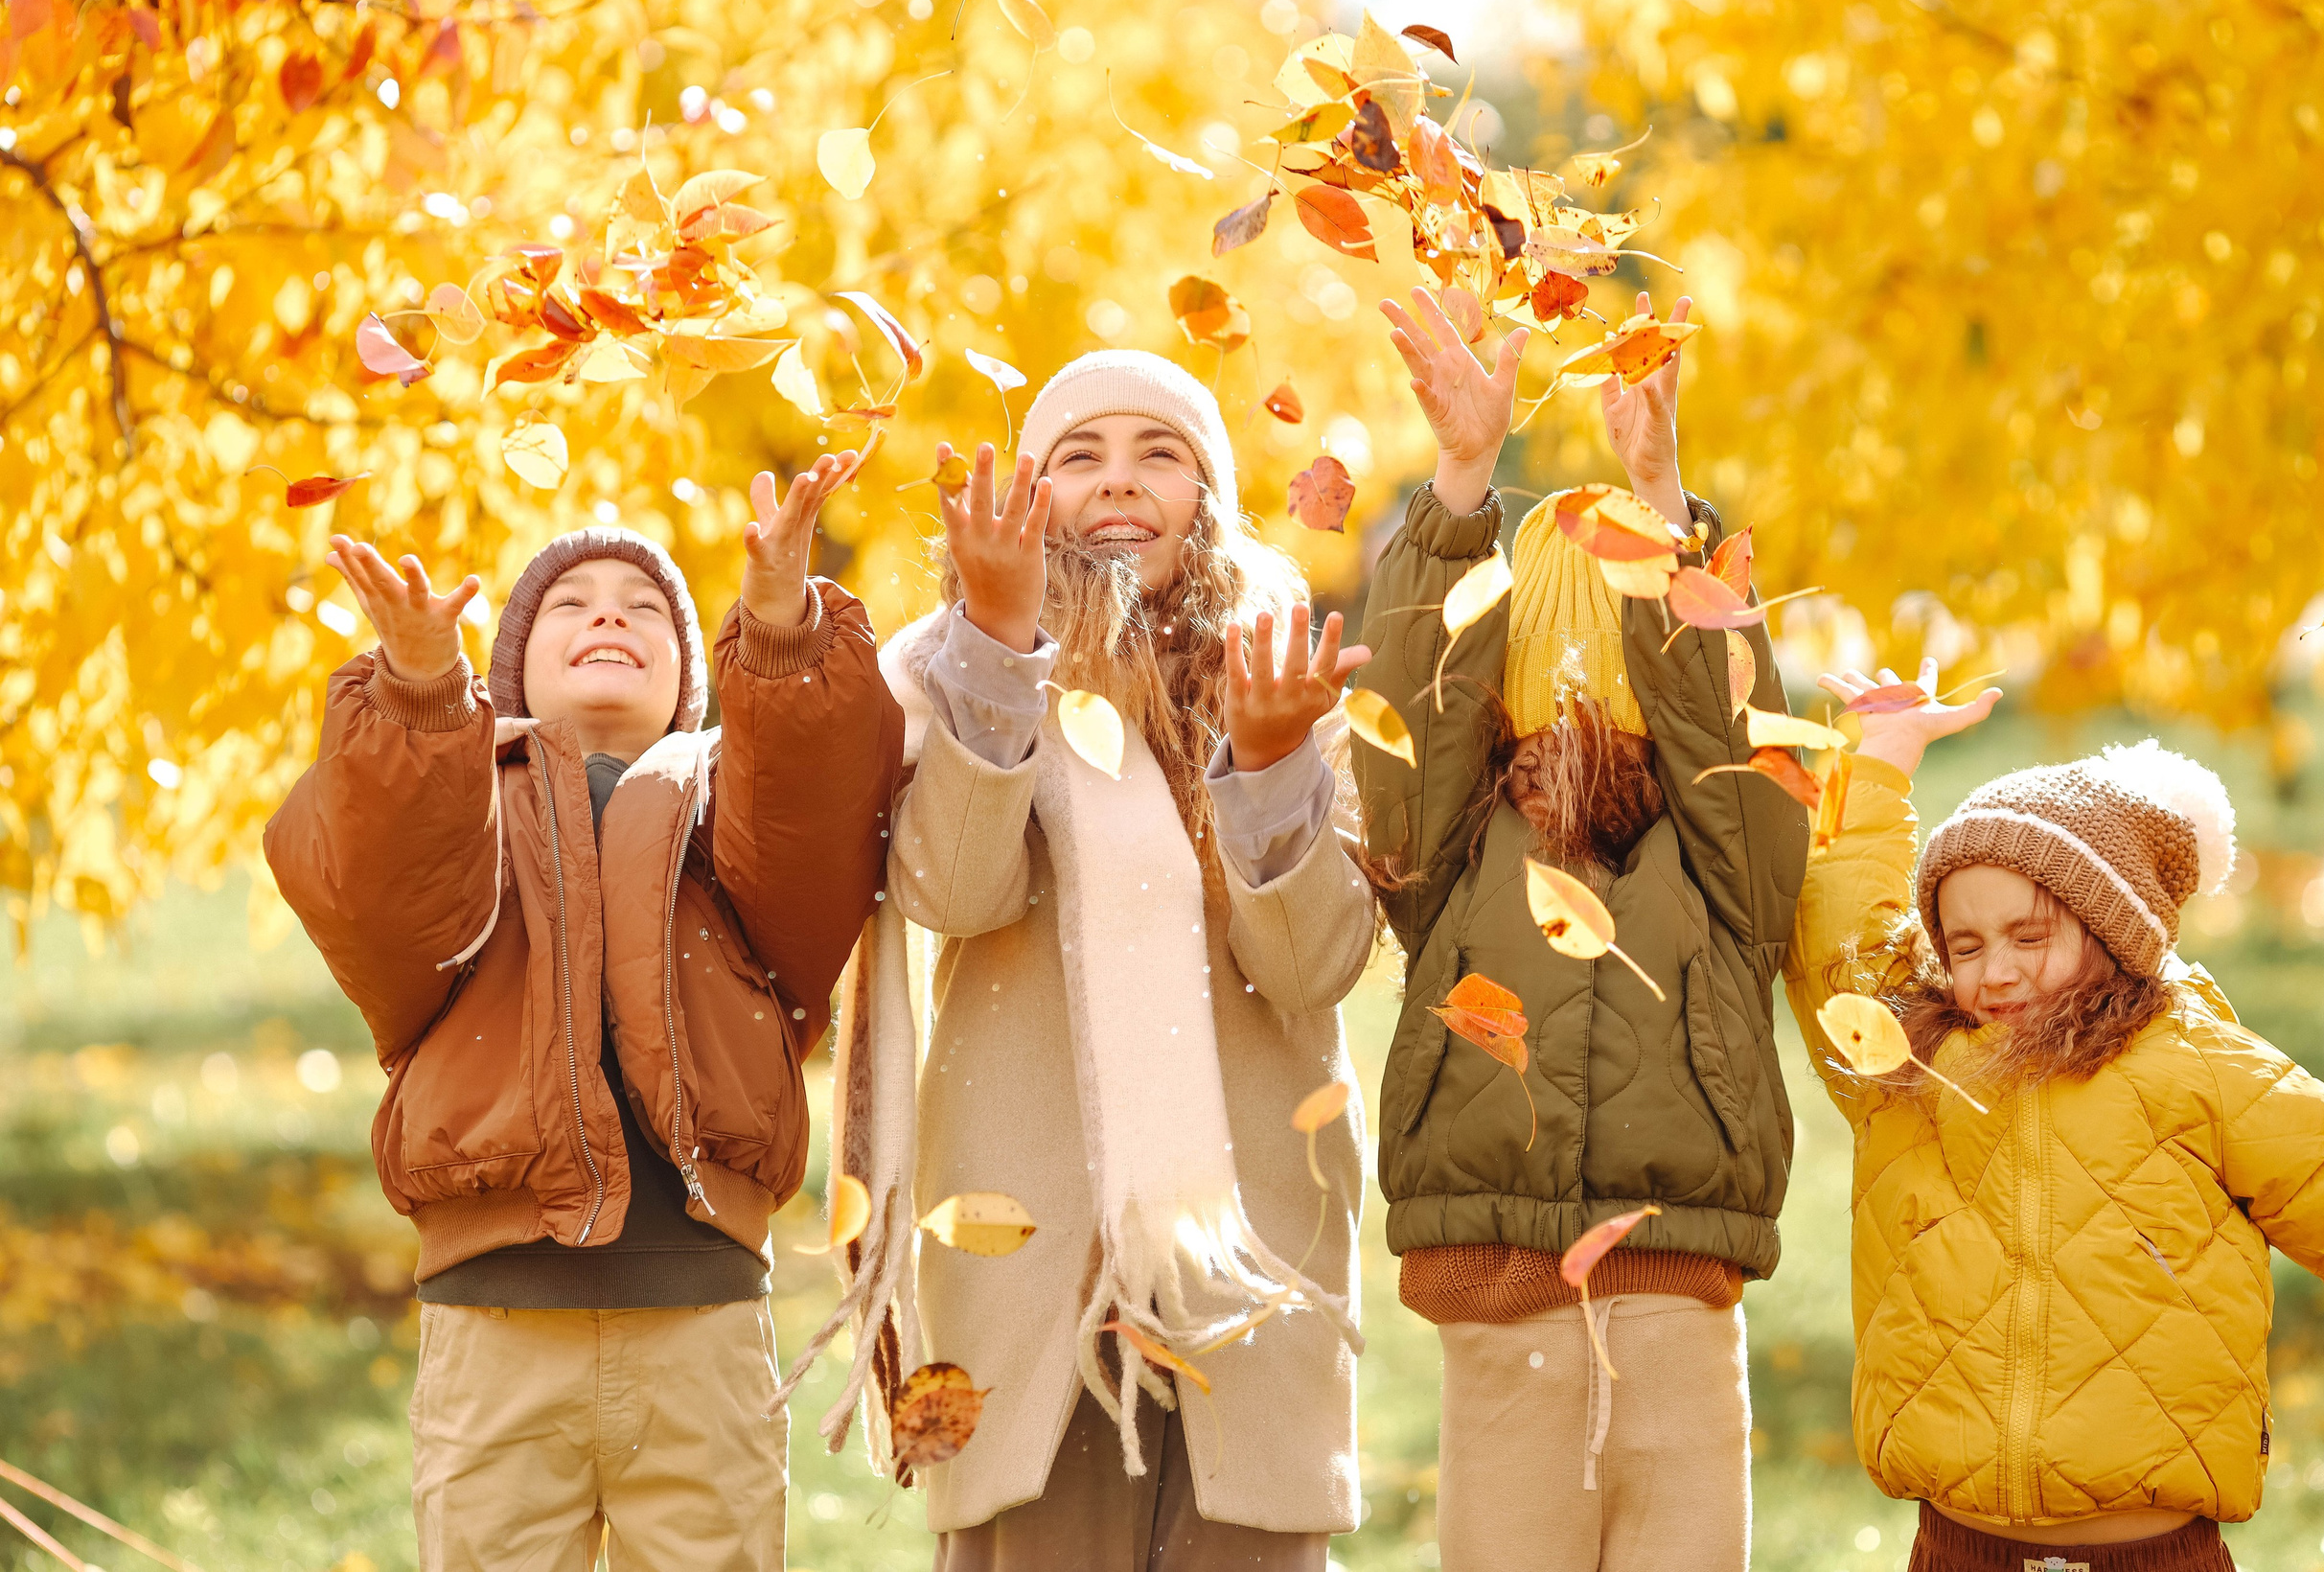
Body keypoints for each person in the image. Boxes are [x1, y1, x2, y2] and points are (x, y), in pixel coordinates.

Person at [264, 454, 901, 1571]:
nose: (609, 616)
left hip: (702, 1322)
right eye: (572, 604)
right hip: (496, 1326)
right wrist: (420, 698)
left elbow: (812, 803)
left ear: (689, 678)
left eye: (644, 608)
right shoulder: (466, 812)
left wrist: (780, 630)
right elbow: (377, 886)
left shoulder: (728, 809)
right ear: (510, 672)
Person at [818, 350, 1375, 1570]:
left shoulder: (1281, 679)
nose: (1119, 482)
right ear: (1033, 498)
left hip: (1247, 1251)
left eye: (1158, 454)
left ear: (1207, 497)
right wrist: (998, 646)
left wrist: (1271, 766)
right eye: (1080, 457)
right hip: (1037, 1249)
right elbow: (952, 891)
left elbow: (1313, 968)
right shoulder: (958, 671)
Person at [1787, 659, 2324, 1571]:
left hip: (2157, 1555)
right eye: (1965, 945)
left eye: (2030, 935)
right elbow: (1839, 933)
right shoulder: (1912, 1064)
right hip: (1959, 1551)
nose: (1998, 970)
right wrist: (1884, 757)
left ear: (2113, 930)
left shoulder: (2197, 1064)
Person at [1349, 287, 1807, 1571]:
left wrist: (1661, 506)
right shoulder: (1458, 844)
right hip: (1498, 1291)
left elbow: (1727, 732)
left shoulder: (1719, 854)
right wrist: (1459, 485)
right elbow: (1412, 714)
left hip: (1674, 1288)